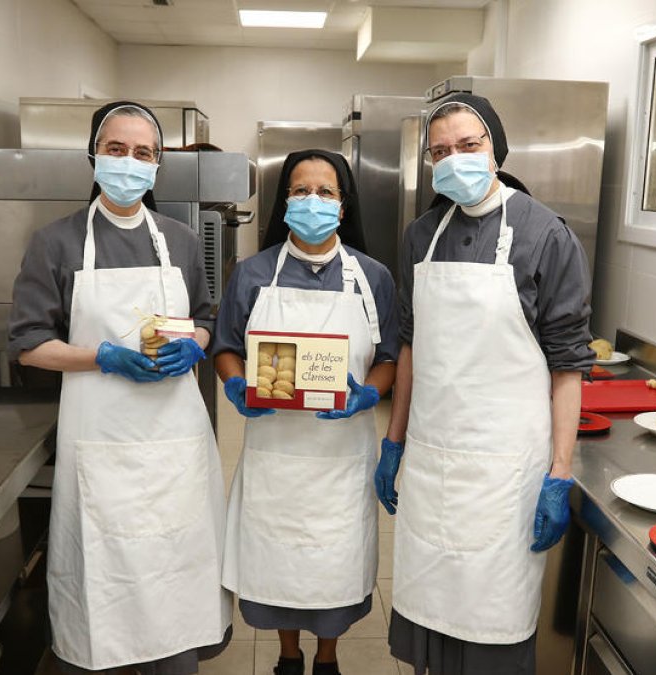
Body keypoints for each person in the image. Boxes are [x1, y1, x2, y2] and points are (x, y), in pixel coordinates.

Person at [7, 101, 231, 675]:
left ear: (157, 166)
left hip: (173, 441)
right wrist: (102, 356)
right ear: (93, 156)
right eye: (117, 150)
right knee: (105, 584)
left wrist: (198, 343)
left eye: (144, 154)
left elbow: (206, 317)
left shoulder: (179, 241)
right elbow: (30, 343)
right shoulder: (55, 243)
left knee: (175, 570)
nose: (130, 163)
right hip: (101, 443)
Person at [375, 94, 594, 675]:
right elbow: (411, 343)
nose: (455, 160)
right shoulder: (421, 234)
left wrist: (560, 472)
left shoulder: (545, 234)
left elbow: (568, 366)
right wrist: (393, 441)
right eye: (440, 151)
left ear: (495, 149)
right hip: (432, 457)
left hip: (505, 474)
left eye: (468, 145)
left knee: (492, 626)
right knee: (431, 614)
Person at [213, 150, 399, 675]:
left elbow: (389, 358)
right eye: (300, 191)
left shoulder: (374, 278)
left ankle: (328, 660)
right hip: (276, 454)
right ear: (284, 202)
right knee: (279, 565)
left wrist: (368, 393)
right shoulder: (251, 273)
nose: (312, 201)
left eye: (326, 192)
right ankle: (288, 657)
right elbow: (226, 346)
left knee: (335, 567)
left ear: (343, 207)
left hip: (343, 457)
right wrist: (235, 385)